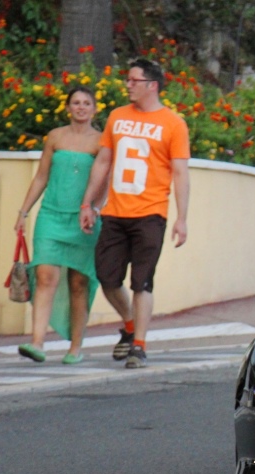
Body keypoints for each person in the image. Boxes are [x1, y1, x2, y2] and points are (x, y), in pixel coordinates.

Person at [79, 57, 190, 369]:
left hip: (151, 213)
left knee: (142, 282)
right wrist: (88, 204)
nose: (128, 85)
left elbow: (180, 172)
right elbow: (103, 162)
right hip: (115, 211)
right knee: (106, 276)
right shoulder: (117, 117)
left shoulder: (173, 123)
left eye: (134, 80)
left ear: (151, 85)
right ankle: (129, 324)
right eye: (127, 80)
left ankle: (138, 345)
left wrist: (181, 218)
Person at [14, 85, 104, 364]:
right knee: (44, 276)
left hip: (83, 219)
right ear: (67, 108)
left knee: (79, 282)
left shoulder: (102, 141)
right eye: (75, 103)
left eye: (86, 103)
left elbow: (104, 180)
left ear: (94, 109)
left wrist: (95, 209)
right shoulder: (55, 136)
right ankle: (37, 342)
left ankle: (75, 347)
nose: (80, 107)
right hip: (51, 215)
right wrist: (24, 211)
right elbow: (41, 176)